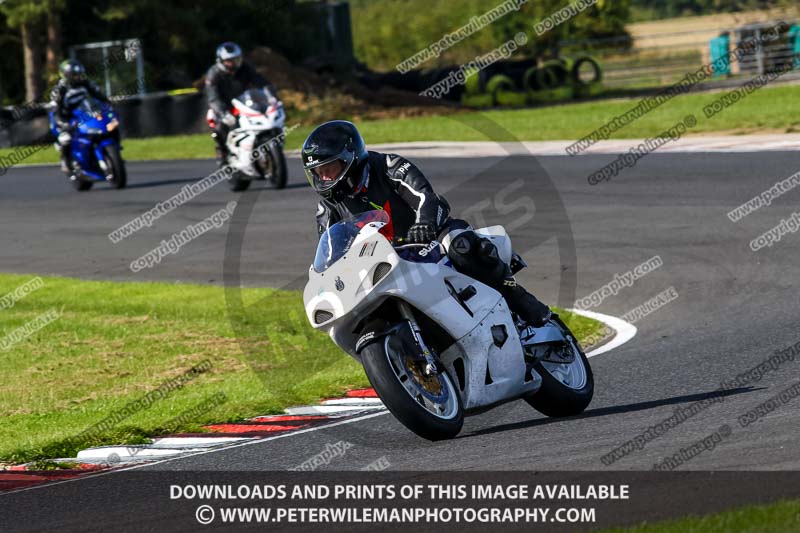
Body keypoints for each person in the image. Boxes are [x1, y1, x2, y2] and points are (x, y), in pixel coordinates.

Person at [302, 120, 551, 328]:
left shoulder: (388, 166)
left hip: (428, 237)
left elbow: (426, 197)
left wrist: (424, 223)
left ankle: (515, 295)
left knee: (460, 246)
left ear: (350, 159)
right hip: (381, 262)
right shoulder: (327, 208)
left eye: (330, 168)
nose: (325, 178)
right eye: (319, 172)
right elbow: (332, 254)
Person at [204, 41, 278, 166]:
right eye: (230, 60)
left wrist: (270, 95)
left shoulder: (245, 68)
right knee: (219, 127)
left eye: (237, 59)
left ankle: (265, 145)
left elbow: (260, 81)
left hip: (243, 102)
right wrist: (223, 113)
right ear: (220, 60)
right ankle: (223, 154)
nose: (234, 63)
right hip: (223, 106)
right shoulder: (213, 74)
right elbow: (213, 97)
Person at [50, 59, 109, 174]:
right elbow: (55, 109)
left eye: (79, 74)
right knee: (65, 138)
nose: (78, 77)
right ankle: (66, 162)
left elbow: (97, 94)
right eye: (74, 75)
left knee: (107, 126)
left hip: (83, 114)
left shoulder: (85, 83)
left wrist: (107, 102)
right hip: (64, 117)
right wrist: (62, 123)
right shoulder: (59, 90)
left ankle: (110, 152)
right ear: (66, 75)